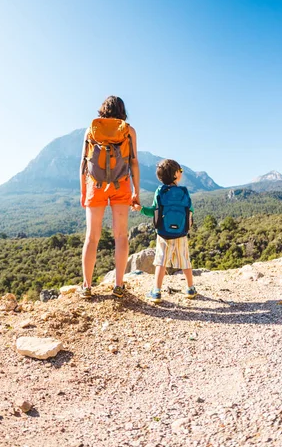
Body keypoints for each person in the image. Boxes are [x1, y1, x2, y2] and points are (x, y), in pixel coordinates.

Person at [79, 96, 140, 299]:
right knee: (121, 235)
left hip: (94, 185)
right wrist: (136, 192)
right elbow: (133, 163)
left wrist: (83, 192)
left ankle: (87, 287)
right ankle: (119, 285)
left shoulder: (91, 130)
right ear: (122, 110)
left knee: (92, 236)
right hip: (121, 184)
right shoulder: (128, 130)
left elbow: (83, 164)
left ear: (102, 110)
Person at [132, 159, 197, 304]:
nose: (181, 173)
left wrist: (139, 208)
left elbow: (153, 211)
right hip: (181, 233)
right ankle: (190, 288)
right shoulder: (184, 192)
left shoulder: (159, 191)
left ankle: (156, 291)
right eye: (181, 170)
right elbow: (190, 210)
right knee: (185, 260)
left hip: (163, 233)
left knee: (160, 261)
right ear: (176, 174)